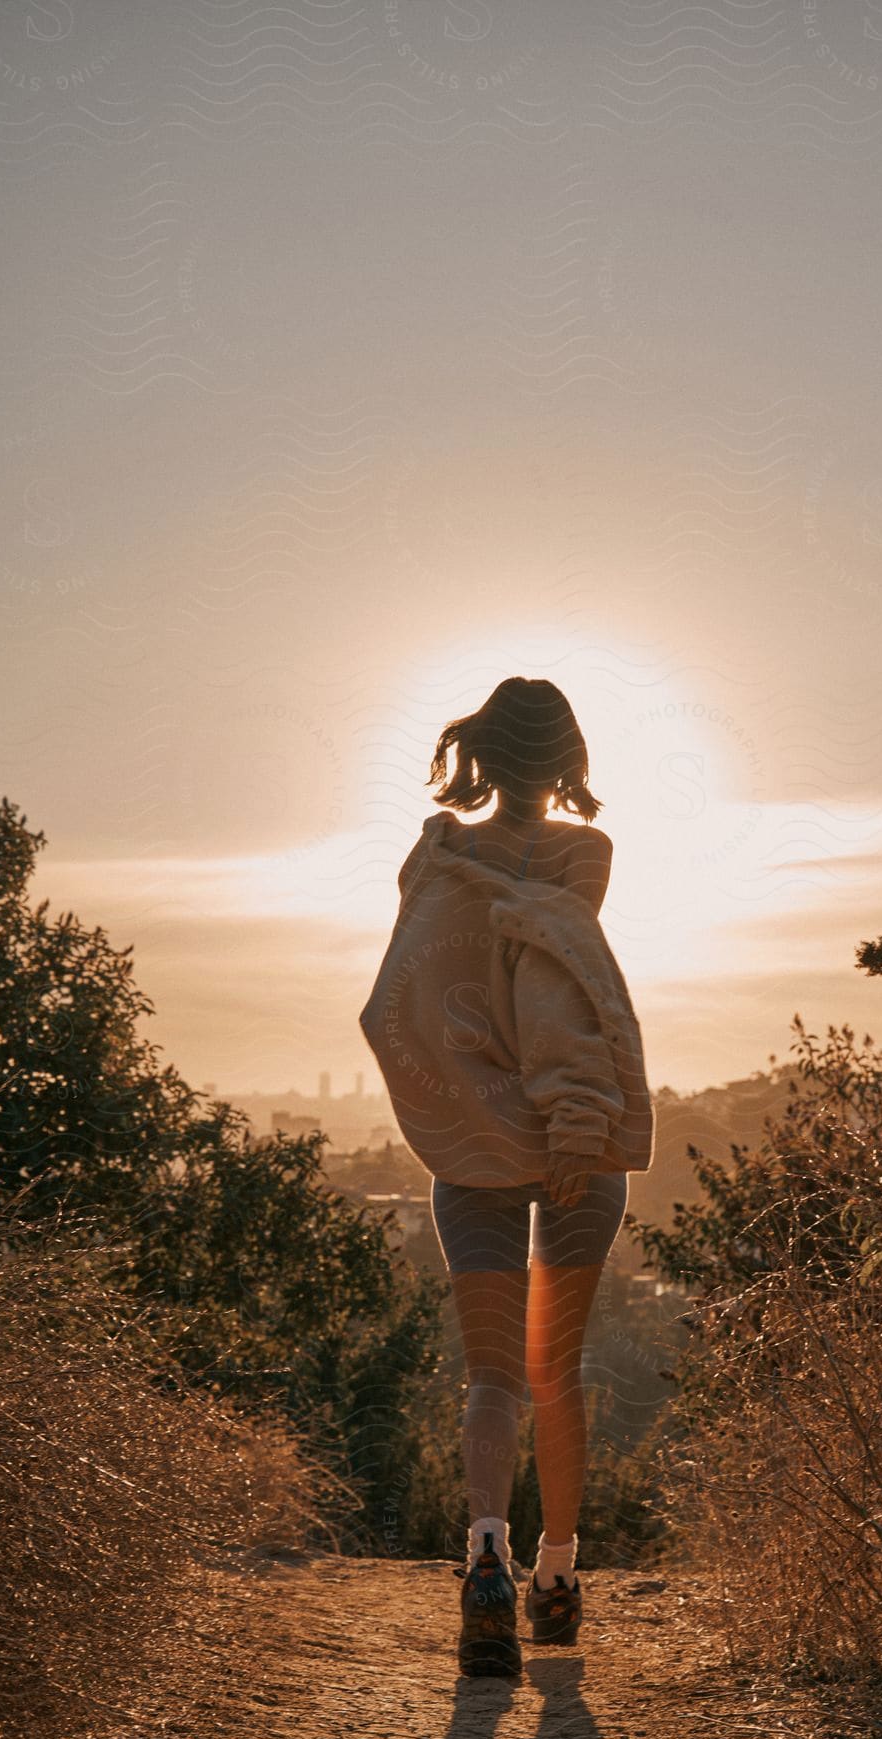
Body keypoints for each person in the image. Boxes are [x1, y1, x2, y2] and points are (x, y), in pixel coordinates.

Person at [358, 677, 654, 1677]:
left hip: (475, 1142)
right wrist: (579, 1114)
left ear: (479, 749)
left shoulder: (437, 854)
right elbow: (557, 975)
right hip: (575, 1142)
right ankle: (556, 1578)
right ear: (568, 758)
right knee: (554, 1374)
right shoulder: (583, 854)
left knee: (491, 1377)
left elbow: (429, 978)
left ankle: (484, 1558)